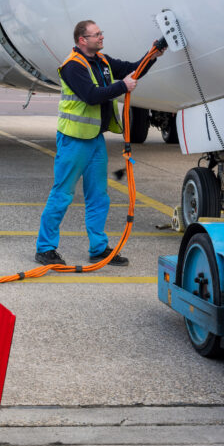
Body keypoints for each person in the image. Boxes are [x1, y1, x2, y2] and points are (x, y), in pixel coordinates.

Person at [35, 21, 160, 267]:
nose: (102, 37)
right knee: (62, 194)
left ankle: (98, 248)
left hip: (94, 139)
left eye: (101, 33)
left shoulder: (101, 61)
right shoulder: (73, 66)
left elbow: (133, 69)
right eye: (96, 34)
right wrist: (122, 86)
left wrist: (153, 54)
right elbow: (91, 95)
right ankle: (45, 248)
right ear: (82, 39)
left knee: (98, 196)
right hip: (74, 140)